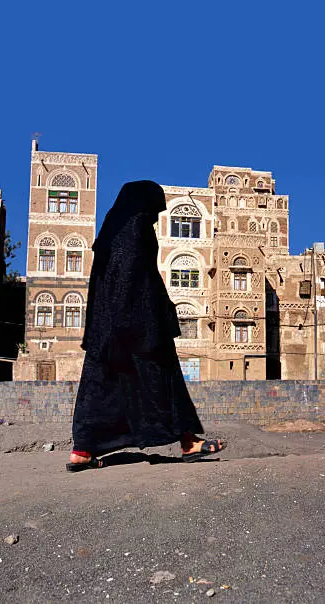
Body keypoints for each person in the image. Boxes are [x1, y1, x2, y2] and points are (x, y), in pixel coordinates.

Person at [67, 180, 225, 472]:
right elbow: (133, 278)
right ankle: (188, 442)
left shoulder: (110, 230)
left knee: (99, 388)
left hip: (105, 328)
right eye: (155, 211)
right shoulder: (136, 228)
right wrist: (144, 321)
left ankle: (82, 452)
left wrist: (108, 327)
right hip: (138, 326)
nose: (155, 218)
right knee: (165, 381)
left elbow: (104, 283)